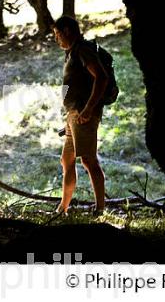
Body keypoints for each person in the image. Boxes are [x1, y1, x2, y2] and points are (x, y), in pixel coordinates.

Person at [52, 16, 108, 215]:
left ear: (67, 31)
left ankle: (100, 208)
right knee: (67, 160)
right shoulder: (72, 52)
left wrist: (88, 109)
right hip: (74, 115)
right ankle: (62, 208)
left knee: (88, 160)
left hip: (84, 114)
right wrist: (70, 116)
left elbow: (101, 77)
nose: (56, 39)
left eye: (58, 34)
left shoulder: (83, 49)